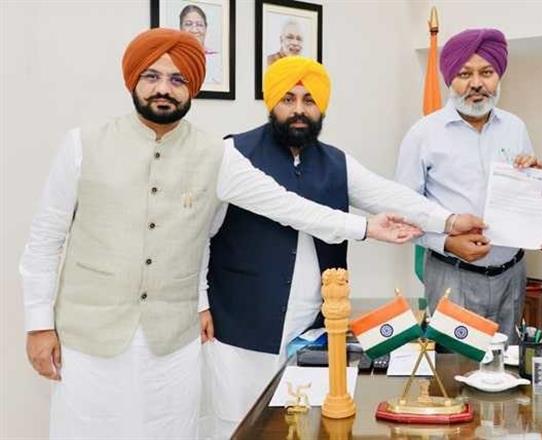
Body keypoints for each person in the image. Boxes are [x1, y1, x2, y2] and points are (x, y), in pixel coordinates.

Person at [19, 28, 425, 439]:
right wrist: (38, 325)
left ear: (192, 87)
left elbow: (285, 206)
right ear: (133, 81)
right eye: (152, 76)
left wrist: (365, 226)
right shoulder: (82, 145)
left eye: (177, 79)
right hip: (88, 339)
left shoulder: (216, 154)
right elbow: (45, 241)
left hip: (172, 344)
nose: (164, 89)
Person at [200, 56, 485, 437]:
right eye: (288, 99)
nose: (299, 110)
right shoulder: (235, 153)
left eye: (309, 100)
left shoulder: (335, 162)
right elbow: (201, 236)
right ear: (271, 102)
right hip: (240, 327)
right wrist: (200, 302)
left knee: (304, 424)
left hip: (311, 328)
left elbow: (388, 195)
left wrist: (448, 220)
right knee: (238, 426)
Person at [395, 28, 542, 341]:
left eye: (486, 72)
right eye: (465, 74)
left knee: (507, 363)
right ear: (450, 79)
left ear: (498, 76)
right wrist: (447, 243)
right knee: (455, 365)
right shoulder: (423, 134)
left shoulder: (515, 127)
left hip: (512, 275)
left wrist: (534, 180)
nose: (476, 83)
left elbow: (530, 194)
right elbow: (402, 214)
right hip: (452, 274)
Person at [179, 4, 222, 85]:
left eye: (199, 25)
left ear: (205, 28)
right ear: (181, 28)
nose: (194, 30)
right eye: (188, 24)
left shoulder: (218, 59)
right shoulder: (172, 57)